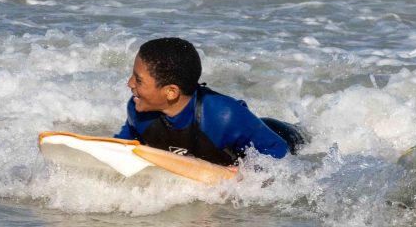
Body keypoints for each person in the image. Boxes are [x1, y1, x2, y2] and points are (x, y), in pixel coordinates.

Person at [114, 38, 291, 166]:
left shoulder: (224, 117)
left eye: (138, 80)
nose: (129, 83)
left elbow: (280, 154)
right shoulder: (138, 108)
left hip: (282, 135)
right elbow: (124, 145)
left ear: (171, 92)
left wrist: (245, 175)